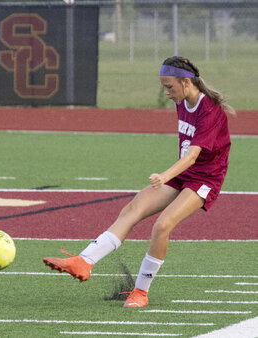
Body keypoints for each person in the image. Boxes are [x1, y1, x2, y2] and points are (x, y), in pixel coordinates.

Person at [44, 56, 235, 308]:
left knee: (162, 226)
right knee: (132, 209)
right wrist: (171, 177)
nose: (166, 92)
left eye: (169, 86)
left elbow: (192, 156)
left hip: (204, 178)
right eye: (163, 87)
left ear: (186, 82)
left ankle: (141, 292)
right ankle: (84, 261)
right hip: (183, 173)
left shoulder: (209, 110)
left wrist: (165, 176)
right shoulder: (182, 100)